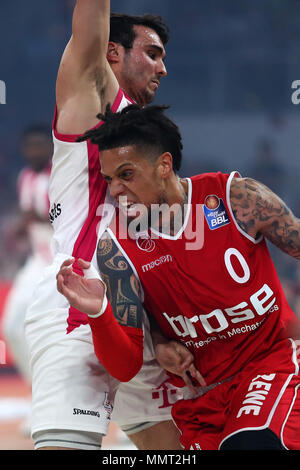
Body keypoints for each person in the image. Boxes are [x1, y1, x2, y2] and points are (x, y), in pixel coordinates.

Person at [57, 104, 300, 450]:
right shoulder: (116, 248)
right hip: (206, 397)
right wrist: (98, 313)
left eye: (127, 175)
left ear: (164, 166)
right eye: (110, 179)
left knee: (251, 444)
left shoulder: (235, 198)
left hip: (272, 367)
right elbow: (125, 367)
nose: (116, 191)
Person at [25, 0, 189, 451]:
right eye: (152, 54)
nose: (162, 68)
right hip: (77, 303)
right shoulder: (92, 98)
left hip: (141, 313)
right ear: (112, 53)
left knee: (180, 449)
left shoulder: (151, 136)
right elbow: (91, 19)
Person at [2, 125, 53, 434]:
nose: (34, 151)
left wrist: (39, 219)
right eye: (30, 147)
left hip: (63, 261)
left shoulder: (59, 176)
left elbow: (72, 216)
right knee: (11, 325)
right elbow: (29, 219)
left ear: (50, 147)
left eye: (40, 146)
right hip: (36, 261)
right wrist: (26, 226)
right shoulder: (24, 178)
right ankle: (41, 399)